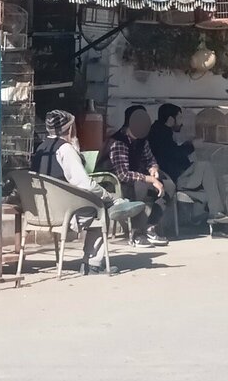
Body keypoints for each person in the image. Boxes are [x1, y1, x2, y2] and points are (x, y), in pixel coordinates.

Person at [30, 110, 145, 273]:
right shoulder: (66, 150)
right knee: (101, 210)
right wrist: (107, 196)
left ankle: (118, 204)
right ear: (70, 129)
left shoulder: (41, 149)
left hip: (42, 211)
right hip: (66, 213)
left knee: (100, 203)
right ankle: (93, 264)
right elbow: (85, 184)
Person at [96, 105, 168, 247]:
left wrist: (154, 168)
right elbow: (123, 174)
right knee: (141, 188)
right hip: (115, 183)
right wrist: (150, 179)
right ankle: (136, 232)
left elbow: (150, 159)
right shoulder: (118, 142)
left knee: (168, 185)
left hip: (137, 177)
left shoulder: (143, 140)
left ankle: (150, 226)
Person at [149, 103, 228, 227]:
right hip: (174, 177)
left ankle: (211, 217)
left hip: (180, 175)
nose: (182, 123)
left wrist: (188, 145)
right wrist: (191, 146)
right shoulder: (159, 133)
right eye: (179, 118)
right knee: (205, 166)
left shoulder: (162, 131)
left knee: (215, 183)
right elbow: (171, 154)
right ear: (171, 119)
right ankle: (215, 213)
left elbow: (172, 151)